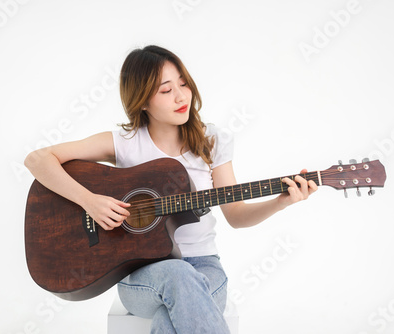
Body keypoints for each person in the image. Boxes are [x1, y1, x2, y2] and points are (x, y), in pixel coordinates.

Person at [24, 45, 318, 333]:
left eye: (184, 84)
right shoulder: (124, 142)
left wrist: (282, 201)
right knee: (178, 275)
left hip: (204, 267)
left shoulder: (212, 141)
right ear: (141, 101)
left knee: (171, 318)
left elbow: (236, 215)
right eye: (166, 90)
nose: (181, 96)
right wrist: (89, 201)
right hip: (140, 274)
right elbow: (37, 160)